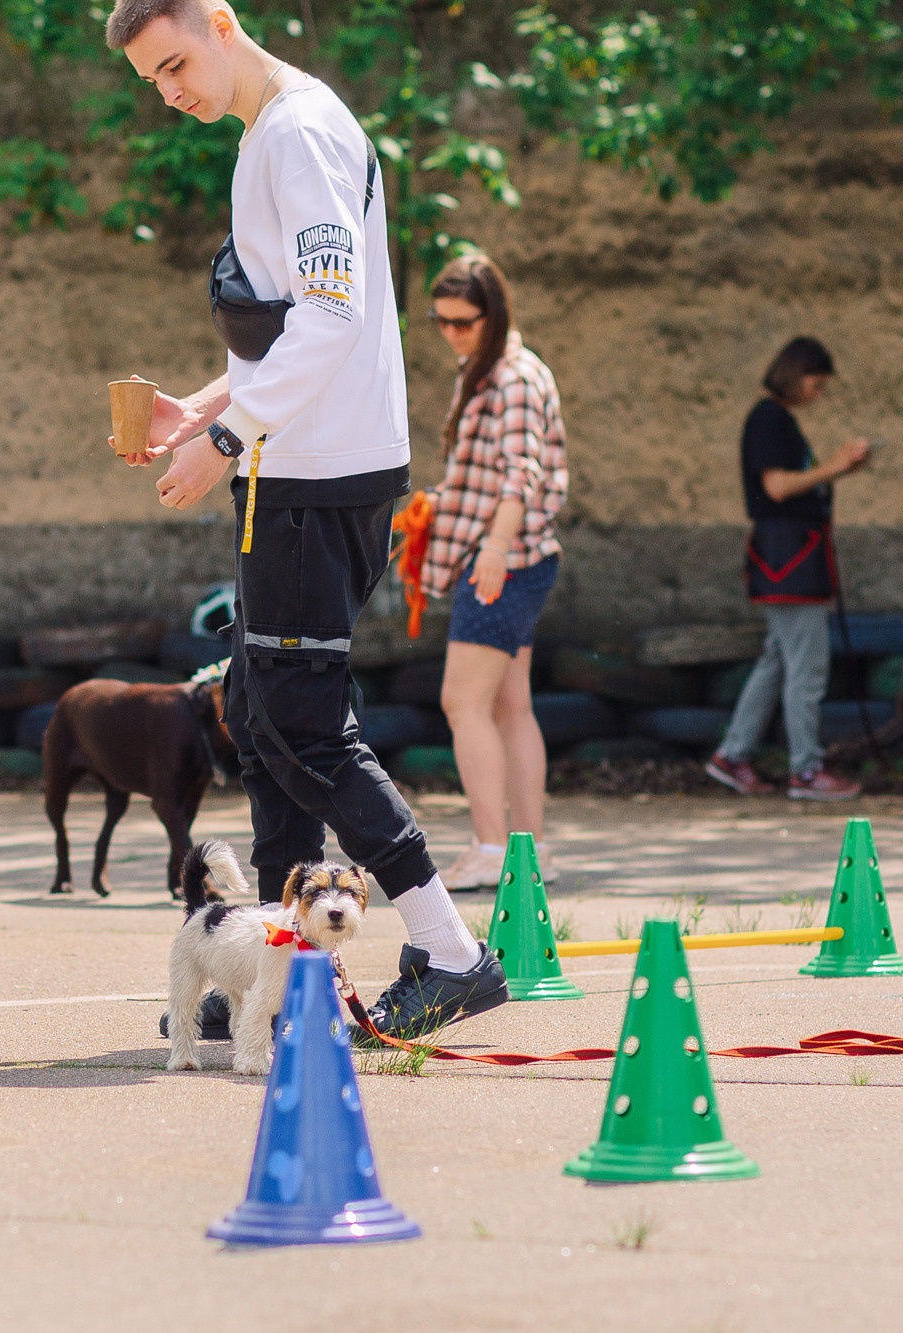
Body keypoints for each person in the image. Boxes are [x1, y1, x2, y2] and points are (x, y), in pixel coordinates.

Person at [108, 0, 507, 1039]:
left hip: (309, 478)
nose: (169, 90)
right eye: (151, 79)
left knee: (300, 721)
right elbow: (294, 323)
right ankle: (289, 986)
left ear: (222, 22)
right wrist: (199, 409)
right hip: (304, 469)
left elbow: (331, 315)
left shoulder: (296, 133)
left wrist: (227, 439)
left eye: (173, 62)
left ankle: (452, 952)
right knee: (262, 707)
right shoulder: (271, 134)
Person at [418, 255, 568, 889]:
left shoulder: (512, 379)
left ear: (493, 314)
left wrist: (495, 546)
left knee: (463, 701)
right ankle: (528, 852)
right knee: (510, 706)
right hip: (512, 555)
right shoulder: (488, 371)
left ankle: (488, 846)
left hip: (504, 558)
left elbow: (520, 472)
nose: (452, 332)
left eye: (464, 321)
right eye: (441, 321)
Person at [704, 336, 870, 801]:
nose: (818, 396)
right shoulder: (768, 420)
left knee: (778, 660)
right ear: (796, 375)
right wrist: (833, 466)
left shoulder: (776, 420)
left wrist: (837, 472)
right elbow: (776, 487)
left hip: (788, 555)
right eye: (816, 385)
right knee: (807, 667)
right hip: (789, 558)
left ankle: (732, 756)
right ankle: (806, 769)